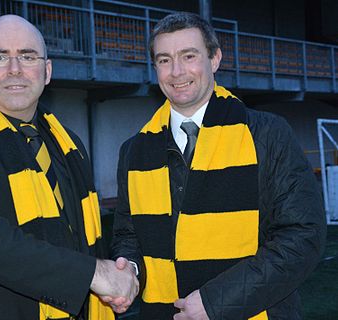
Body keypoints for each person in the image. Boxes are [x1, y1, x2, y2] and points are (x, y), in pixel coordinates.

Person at [0, 14, 138, 320]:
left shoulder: (68, 142)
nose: (14, 70)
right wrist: (94, 274)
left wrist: (117, 274)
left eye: (27, 56)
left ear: (47, 71)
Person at [111, 12, 326, 320]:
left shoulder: (267, 134)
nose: (177, 71)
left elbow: (303, 235)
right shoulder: (134, 150)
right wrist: (128, 269)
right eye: (164, 60)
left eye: (189, 56)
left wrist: (216, 302)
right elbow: (127, 234)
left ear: (214, 59)